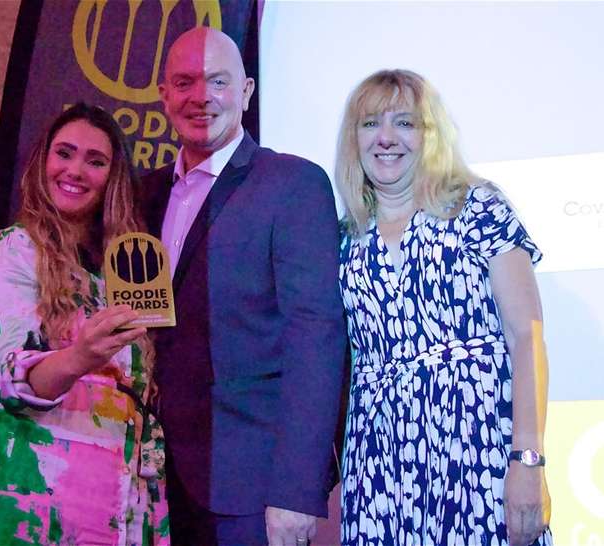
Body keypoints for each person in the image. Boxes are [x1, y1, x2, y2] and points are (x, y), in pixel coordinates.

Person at [139, 27, 346, 546]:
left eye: (218, 82)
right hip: (153, 485)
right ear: (164, 94)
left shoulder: (292, 184)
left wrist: (298, 489)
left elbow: (315, 339)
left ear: (248, 92)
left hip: (253, 490)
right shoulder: (142, 195)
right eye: (184, 82)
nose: (201, 97)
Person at [0, 103, 169, 546]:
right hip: (25, 496)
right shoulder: (13, 249)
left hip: (117, 501)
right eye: (65, 153)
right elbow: (10, 372)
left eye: (95, 161)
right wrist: (80, 356)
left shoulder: (125, 270)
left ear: (113, 178)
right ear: (43, 162)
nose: (75, 170)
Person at [335, 69, 552, 546]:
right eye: (370, 123)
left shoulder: (478, 208)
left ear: (430, 135)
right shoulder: (343, 238)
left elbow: (526, 335)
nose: (386, 138)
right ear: (354, 138)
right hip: (380, 468)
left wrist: (528, 460)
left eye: (405, 123)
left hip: (478, 455)